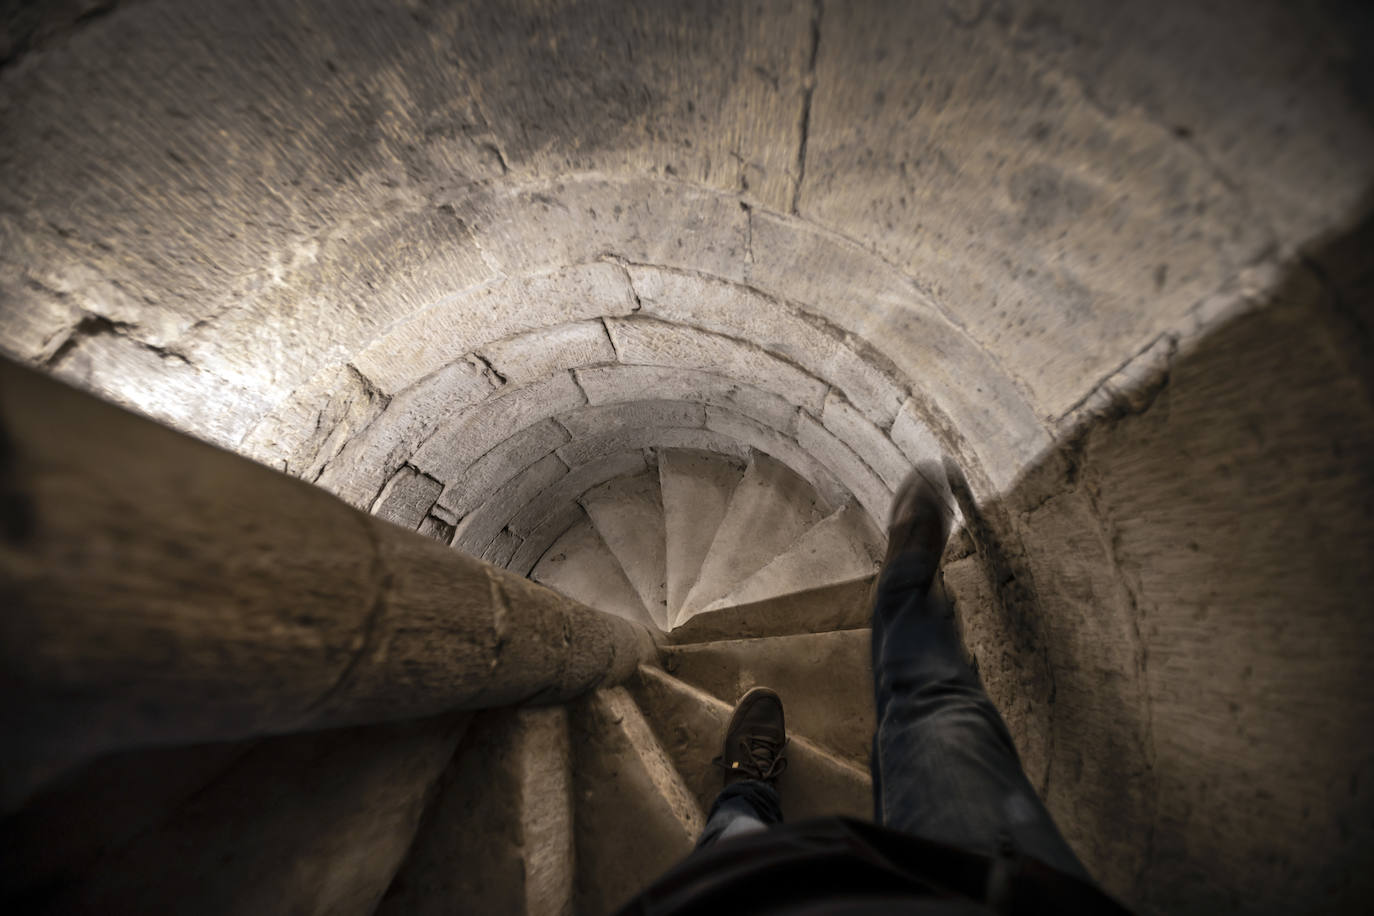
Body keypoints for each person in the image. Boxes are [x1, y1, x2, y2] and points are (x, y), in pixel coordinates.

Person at [616, 464, 1130, 915]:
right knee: (940, 720)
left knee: (736, 844)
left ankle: (747, 792)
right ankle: (901, 595)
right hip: (984, 891)